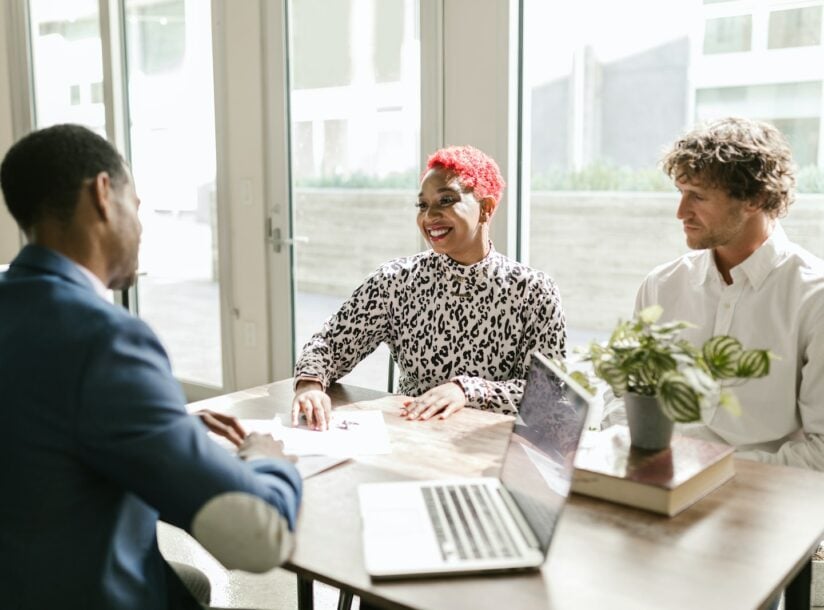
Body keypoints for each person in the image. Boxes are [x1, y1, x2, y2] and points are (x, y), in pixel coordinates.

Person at [0, 124, 302, 610]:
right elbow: (256, 534)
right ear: (102, 194)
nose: (141, 229)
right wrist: (267, 459)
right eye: (137, 207)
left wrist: (159, 425)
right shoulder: (105, 338)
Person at [292, 145, 566, 430]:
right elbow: (329, 344)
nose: (429, 216)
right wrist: (310, 384)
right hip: (411, 440)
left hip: (488, 450)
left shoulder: (535, 291)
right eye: (423, 205)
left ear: (486, 209)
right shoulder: (395, 281)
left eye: (446, 200)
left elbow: (548, 397)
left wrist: (466, 390)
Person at [634, 116, 824, 470]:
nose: (681, 212)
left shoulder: (814, 300)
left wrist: (701, 469)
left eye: (699, 197)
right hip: (660, 487)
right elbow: (627, 397)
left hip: (768, 502)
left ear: (756, 198)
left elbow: (821, 454)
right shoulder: (661, 286)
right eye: (681, 193)